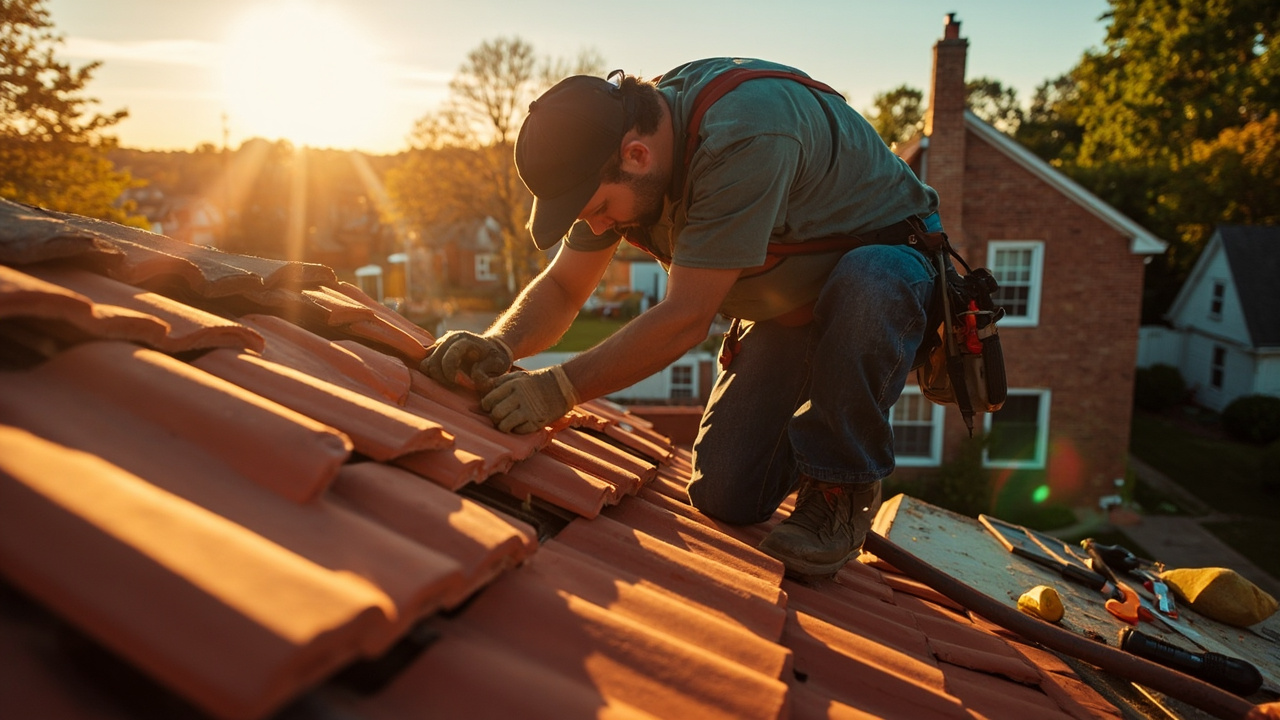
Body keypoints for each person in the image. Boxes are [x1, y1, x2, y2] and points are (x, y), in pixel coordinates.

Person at [422, 57, 943, 578]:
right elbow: (563, 286)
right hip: (790, 306)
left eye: (599, 208)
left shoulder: (743, 137)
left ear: (637, 154)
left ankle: (842, 486)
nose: (599, 224)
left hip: (890, 274)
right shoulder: (617, 153)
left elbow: (687, 317)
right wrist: (499, 345)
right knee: (725, 496)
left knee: (870, 279)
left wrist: (557, 390)